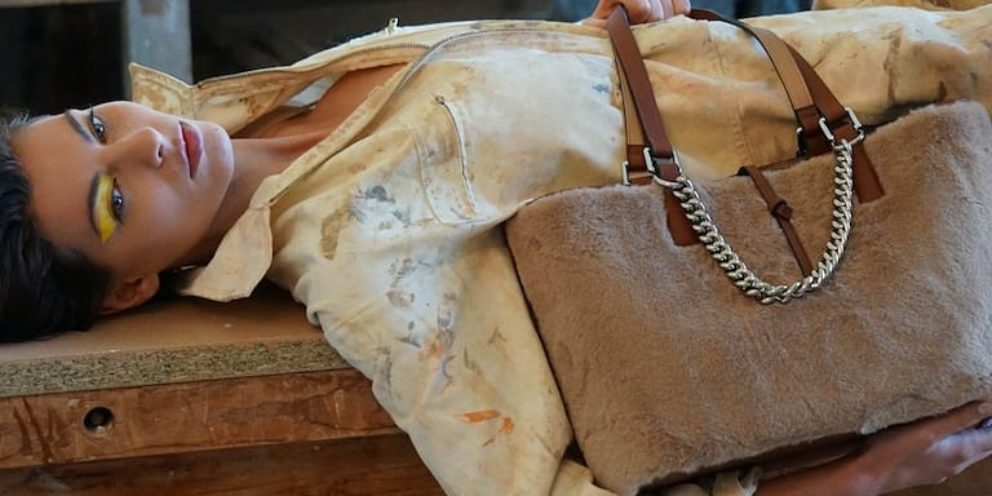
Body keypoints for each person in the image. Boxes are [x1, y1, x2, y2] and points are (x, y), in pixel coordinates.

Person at [3, 0, 992, 494]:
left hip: (880, 50)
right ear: (128, 288)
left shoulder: (277, 98)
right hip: (913, 166)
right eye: (112, 201)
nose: (142, 144)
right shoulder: (363, 265)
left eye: (95, 125)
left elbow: (533, 128)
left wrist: (605, 36)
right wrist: (859, 479)